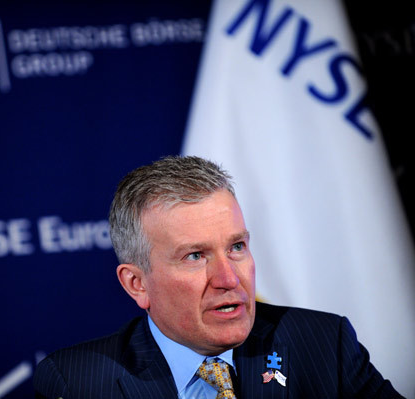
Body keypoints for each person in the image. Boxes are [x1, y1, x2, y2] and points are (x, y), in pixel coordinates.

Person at [33, 155, 403, 398]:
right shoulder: (80, 383)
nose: (228, 278)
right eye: (195, 256)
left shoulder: (323, 346)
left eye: (237, 247)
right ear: (137, 283)